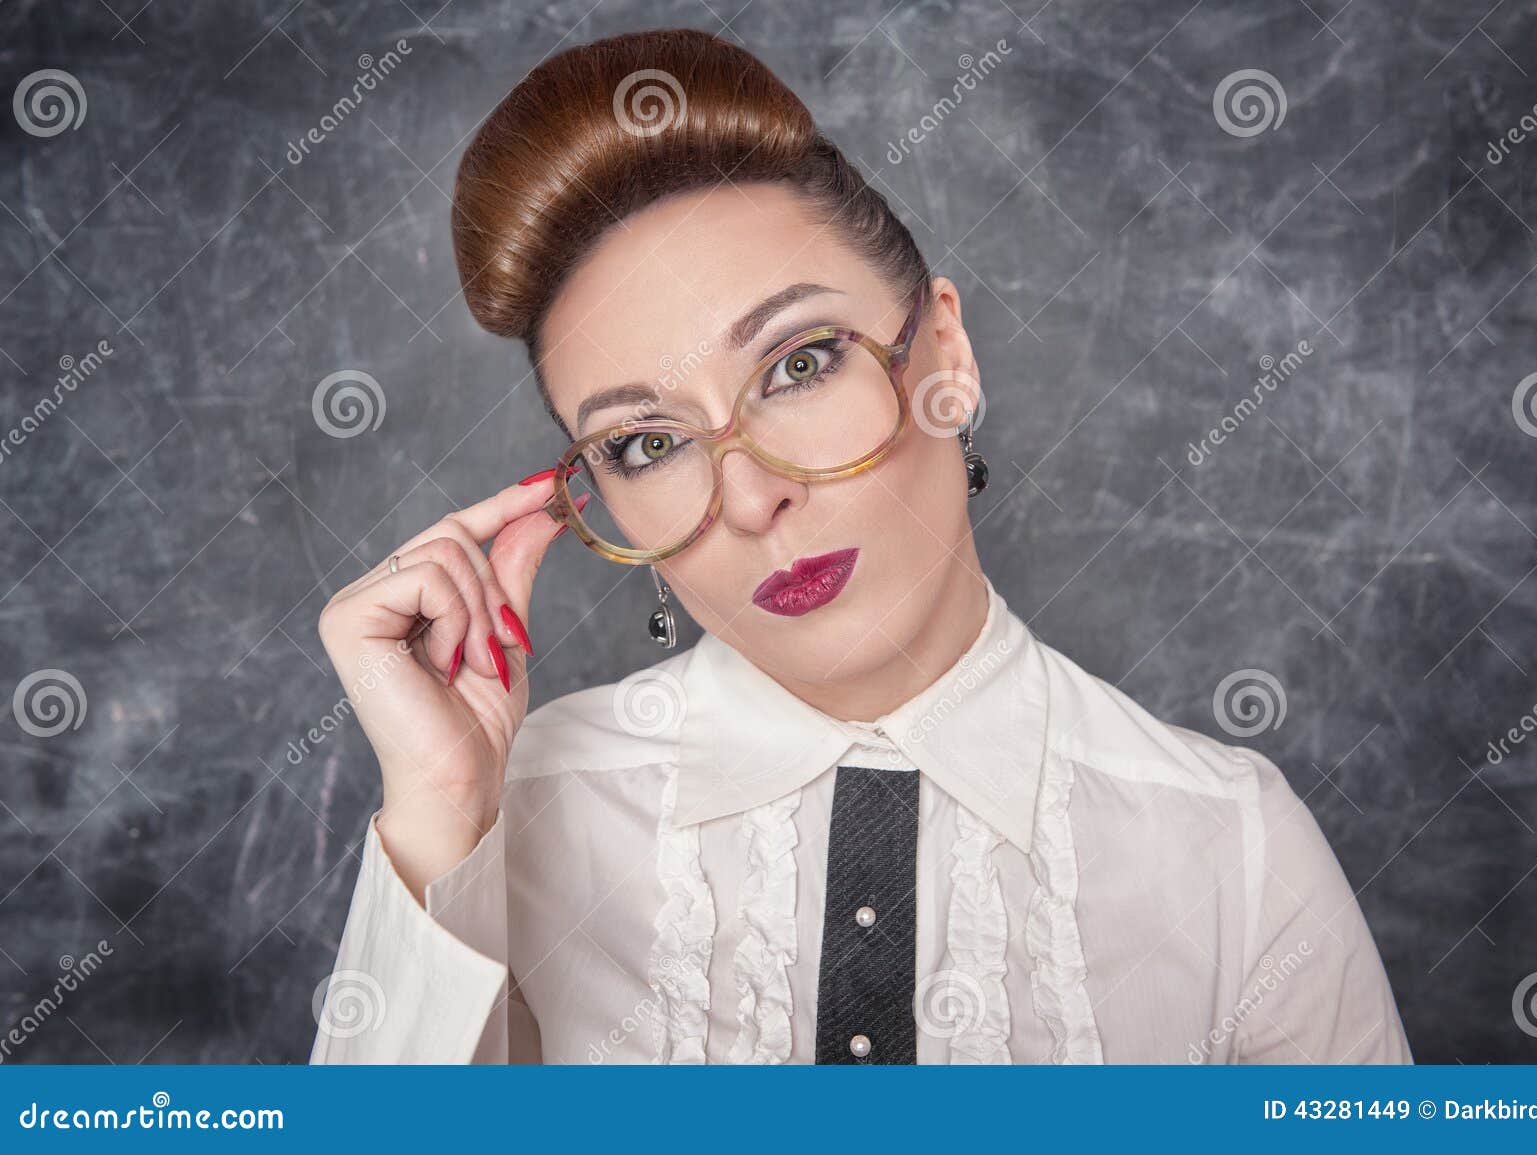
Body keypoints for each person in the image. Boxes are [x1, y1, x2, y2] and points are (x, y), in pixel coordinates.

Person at [309, 27, 1411, 1064]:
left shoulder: (1229, 847)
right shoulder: (510, 826)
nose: (747, 500)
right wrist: (441, 810)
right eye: (646, 442)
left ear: (948, 354)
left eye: (797, 364)